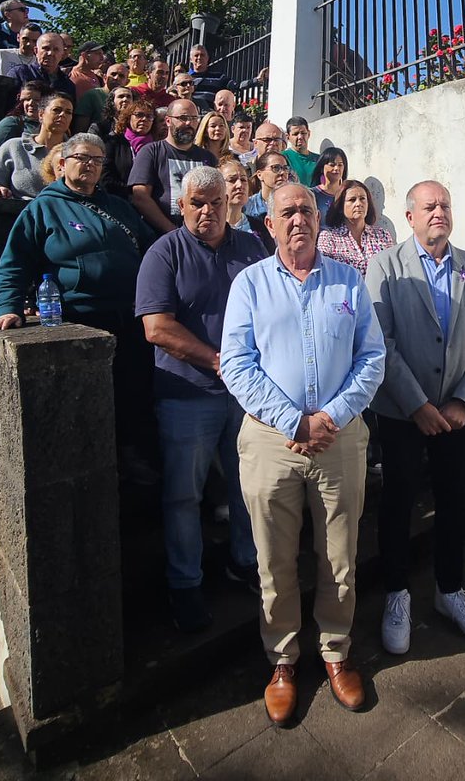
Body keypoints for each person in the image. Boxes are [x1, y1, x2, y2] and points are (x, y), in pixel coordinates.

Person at [220, 184, 386, 724]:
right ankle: (283, 661)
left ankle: (336, 654)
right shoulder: (249, 284)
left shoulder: (349, 281)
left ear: (321, 220)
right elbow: (238, 364)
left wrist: (330, 417)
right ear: (268, 224)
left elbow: (372, 357)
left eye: (307, 211)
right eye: (286, 212)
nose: (298, 220)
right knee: (274, 559)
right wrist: (294, 420)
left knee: (341, 557)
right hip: (272, 441)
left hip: (339, 440)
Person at [365, 181, 465, 655]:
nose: (439, 211)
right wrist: (416, 405)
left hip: (457, 415)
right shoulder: (384, 266)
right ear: (410, 216)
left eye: (445, 204)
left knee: (451, 499)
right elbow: (380, 341)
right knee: (399, 500)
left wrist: (463, 401)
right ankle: (397, 593)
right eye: (429, 206)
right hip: (404, 412)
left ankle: (449, 590)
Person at [136, 167, 266, 632]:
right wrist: (220, 361)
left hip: (247, 394)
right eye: (198, 203)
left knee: (247, 485)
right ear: (182, 205)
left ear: (229, 201)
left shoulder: (251, 247)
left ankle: (244, 562)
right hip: (187, 394)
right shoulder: (164, 252)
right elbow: (157, 328)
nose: (207, 210)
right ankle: (185, 584)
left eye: (215, 201)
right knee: (184, 496)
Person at [0, 133, 156, 472]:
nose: (91, 165)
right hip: (82, 316)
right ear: (62, 163)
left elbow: (153, 252)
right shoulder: (43, 208)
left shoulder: (118, 207)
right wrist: (8, 306)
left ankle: (133, 457)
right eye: (82, 157)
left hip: (131, 314)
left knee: (135, 391)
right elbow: (15, 262)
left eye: (97, 160)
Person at [128, 99, 216, 233]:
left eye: (194, 118)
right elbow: (140, 197)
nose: (189, 123)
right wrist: (172, 230)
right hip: (161, 237)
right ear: (168, 121)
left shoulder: (207, 158)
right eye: (183, 118)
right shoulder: (151, 152)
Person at [0, 92, 74, 200]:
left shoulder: (76, 154)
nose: (63, 115)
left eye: (68, 112)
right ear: (41, 114)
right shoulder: (13, 147)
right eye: (57, 110)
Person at [318, 180, 394, 275]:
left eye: (362, 199)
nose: (358, 204)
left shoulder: (382, 235)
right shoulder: (328, 238)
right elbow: (325, 273)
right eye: (352, 200)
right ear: (341, 207)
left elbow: (393, 268)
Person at [0, 80, 48, 172]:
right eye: (27, 99)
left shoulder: (55, 127)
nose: (30, 103)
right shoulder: (13, 123)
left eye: (36, 100)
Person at [101, 99, 156, 199]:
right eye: (139, 115)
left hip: (151, 202)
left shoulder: (157, 147)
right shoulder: (113, 142)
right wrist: (131, 193)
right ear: (128, 117)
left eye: (149, 116)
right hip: (118, 200)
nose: (144, 119)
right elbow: (105, 176)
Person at [221, 157, 274, 253]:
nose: (239, 185)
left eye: (243, 179)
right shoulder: (212, 227)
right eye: (232, 180)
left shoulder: (260, 226)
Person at [10, 32, 77, 105]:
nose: (50, 53)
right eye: (46, 48)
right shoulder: (20, 73)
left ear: (62, 53)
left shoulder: (67, 84)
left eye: (56, 49)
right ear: (36, 51)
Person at [74, 61, 130, 131]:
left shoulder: (128, 99)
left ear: (127, 82)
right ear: (105, 77)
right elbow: (80, 128)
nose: (116, 78)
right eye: (113, 74)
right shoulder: (92, 95)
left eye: (121, 76)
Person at [245, 151, 290, 219]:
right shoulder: (247, 207)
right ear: (260, 175)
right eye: (276, 168)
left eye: (285, 168)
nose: (282, 172)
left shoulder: (295, 203)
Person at [310, 147, 348, 226]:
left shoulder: (348, 194)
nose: (336, 168)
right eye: (332, 165)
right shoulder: (312, 194)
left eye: (340, 165)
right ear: (322, 168)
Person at [282, 116, 320, 186]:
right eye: (295, 134)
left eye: (303, 133)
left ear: (308, 134)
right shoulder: (283, 158)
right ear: (288, 137)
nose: (300, 137)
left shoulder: (319, 159)